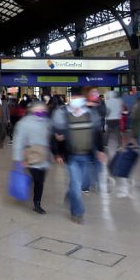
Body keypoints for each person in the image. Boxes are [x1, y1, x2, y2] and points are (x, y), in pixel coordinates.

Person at [52, 88, 105, 224]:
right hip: (72, 156)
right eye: (74, 98)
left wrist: (100, 150)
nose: (76, 100)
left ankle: (70, 196)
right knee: (76, 184)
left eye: (79, 98)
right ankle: (77, 212)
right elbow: (55, 134)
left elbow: (97, 133)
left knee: (79, 183)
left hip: (87, 155)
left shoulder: (91, 113)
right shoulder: (62, 113)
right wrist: (57, 153)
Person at [12, 101, 53, 214]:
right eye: (38, 109)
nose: (41, 111)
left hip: (44, 156)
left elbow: (51, 138)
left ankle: (36, 200)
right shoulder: (24, 123)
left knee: (40, 180)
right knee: (38, 179)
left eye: (43, 109)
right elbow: (18, 142)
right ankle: (37, 203)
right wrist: (18, 159)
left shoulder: (48, 122)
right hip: (31, 155)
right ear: (32, 110)